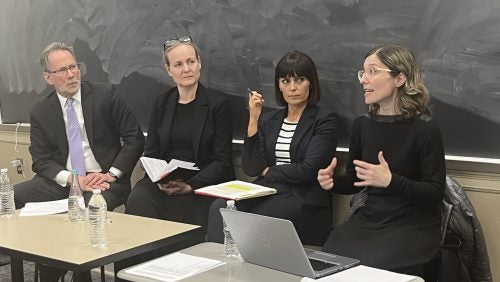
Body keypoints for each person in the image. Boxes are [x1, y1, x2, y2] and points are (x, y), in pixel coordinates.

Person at [13, 41, 145, 281]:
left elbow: (134, 138)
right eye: (62, 70)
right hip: (63, 181)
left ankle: (71, 273)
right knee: (12, 196)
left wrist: (112, 174)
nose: (72, 74)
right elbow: (41, 161)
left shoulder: (106, 94)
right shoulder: (40, 110)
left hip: (104, 179)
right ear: (48, 77)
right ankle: (33, 263)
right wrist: (74, 180)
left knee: (86, 210)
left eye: (74, 67)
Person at [317, 44, 445, 281]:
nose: (363, 80)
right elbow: (355, 180)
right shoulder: (362, 125)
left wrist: (391, 181)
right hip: (370, 218)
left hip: (412, 224)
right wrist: (332, 183)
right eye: (362, 72)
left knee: (377, 266)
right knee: (332, 259)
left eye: (373, 71)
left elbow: (435, 192)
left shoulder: (425, 128)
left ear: (399, 78)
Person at [207, 50, 338, 245]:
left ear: (311, 82)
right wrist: (253, 118)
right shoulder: (270, 120)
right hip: (268, 190)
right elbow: (252, 168)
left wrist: (269, 171)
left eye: (299, 80)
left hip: (304, 197)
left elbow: (309, 170)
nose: (292, 88)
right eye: (285, 81)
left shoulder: (324, 120)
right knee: (220, 207)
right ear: (279, 85)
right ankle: (221, 265)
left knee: (263, 218)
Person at [124, 36, 234, 233]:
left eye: (191, 62)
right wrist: (159, 178)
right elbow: (151, 151)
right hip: (165, 181)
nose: (186, 69)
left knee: (186, 208)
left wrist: (191, 185)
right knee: (138, 198)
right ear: (168, 70)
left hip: (201, 183)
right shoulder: (162, 102)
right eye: (178, 64)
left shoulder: (218, 104)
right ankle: (141, 261)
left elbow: (221, 160)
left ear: (199, 63)